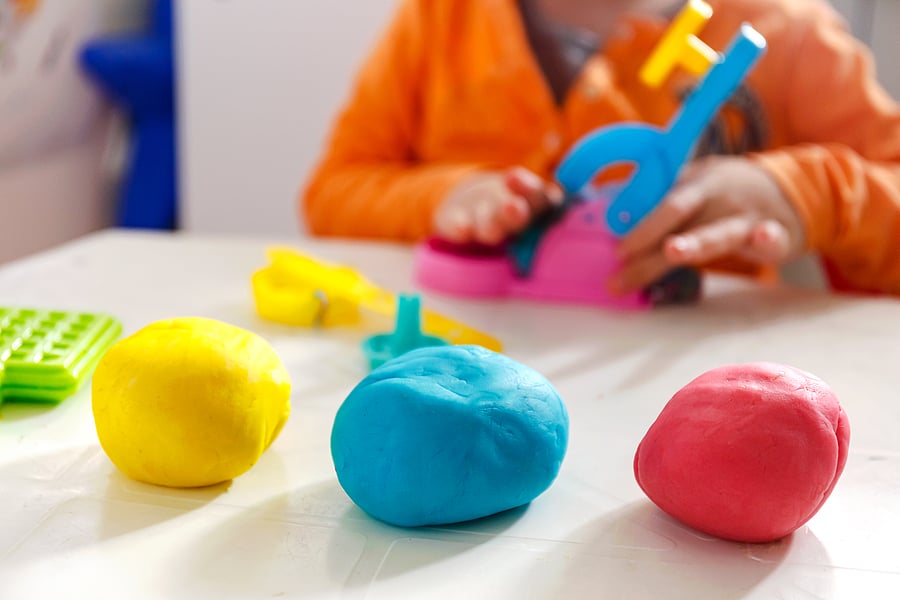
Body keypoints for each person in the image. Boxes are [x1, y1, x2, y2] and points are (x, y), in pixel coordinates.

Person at [300, 0, 900, 297]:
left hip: (692, 400)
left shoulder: (789, 34)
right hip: (464, 367)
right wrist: (446, 195)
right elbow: (333, 192)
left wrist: (807, 194)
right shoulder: (443, 18)